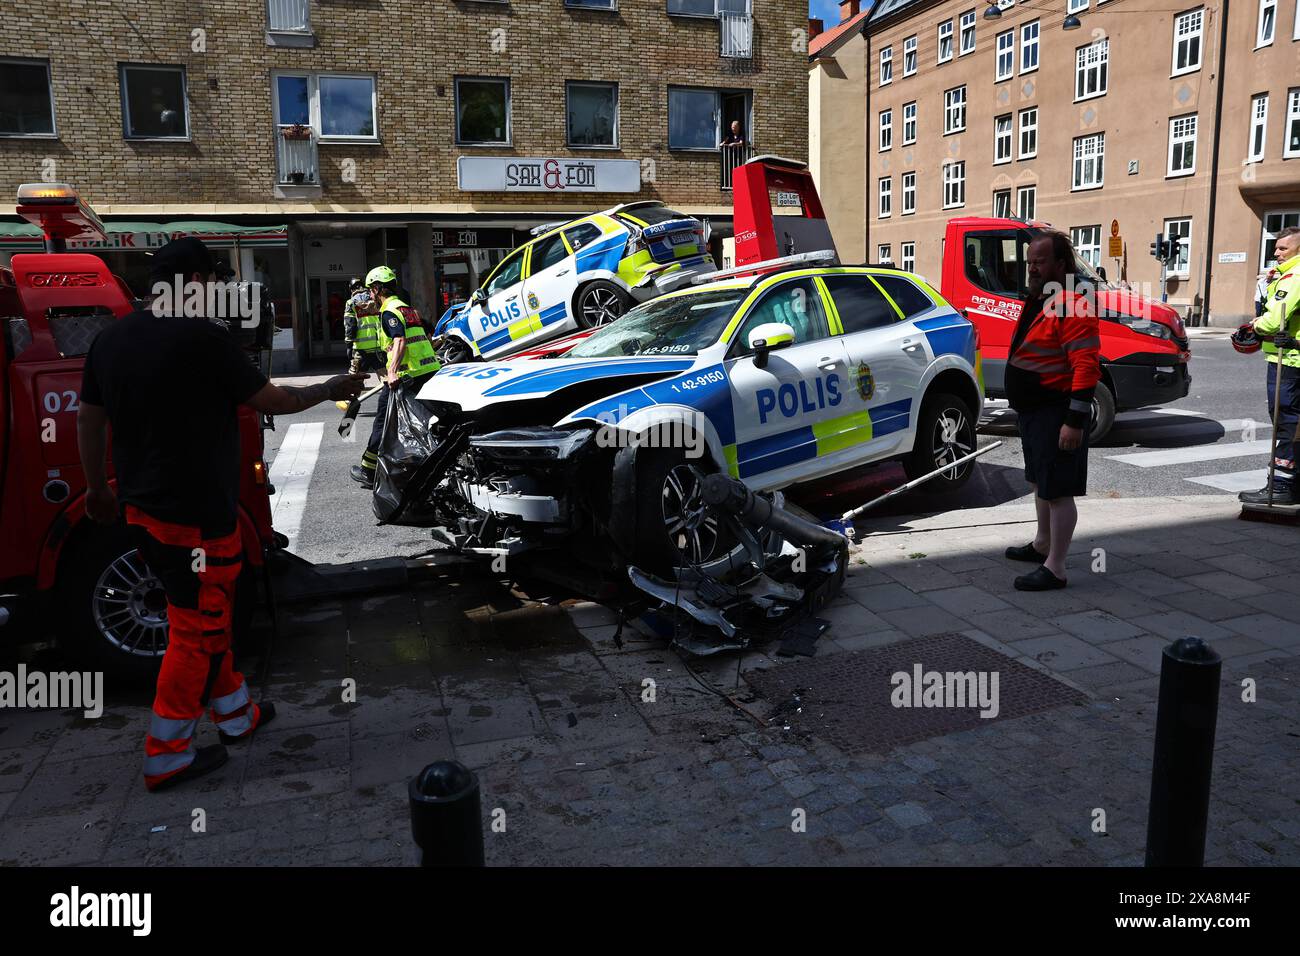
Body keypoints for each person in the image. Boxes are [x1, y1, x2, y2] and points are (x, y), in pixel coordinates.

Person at [77, 237, 365, 792]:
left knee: (209, 615)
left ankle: (234, 714)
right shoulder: (204, 339)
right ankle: (166, 754)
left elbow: (89, 422)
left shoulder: (109, 340)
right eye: (212, 280)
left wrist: (96, 489)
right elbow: (276, 401)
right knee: (195, 629)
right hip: (198, 517)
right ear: (195, 282)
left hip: (142, 510)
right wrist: (332, 387)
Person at [1002, 231, 1101, 590]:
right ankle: (1043, 544)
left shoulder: (1074, 301)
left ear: (1061, 263)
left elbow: (1087, 365)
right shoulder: (1043, 297)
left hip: (1055, 409)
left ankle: (1056, 567)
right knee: (1040, 482)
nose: (1032, 268)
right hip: (1035, 410)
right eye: (1029, 262)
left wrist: (1074, 421)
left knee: (1058, 490)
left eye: (1039, 262)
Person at [350, 265, 441, 489]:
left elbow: (399, 339)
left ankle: (369, 471)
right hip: (427, 372)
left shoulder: (389, 310)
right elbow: (428, 333)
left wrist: (391, 372)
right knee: (425, 421)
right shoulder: (408, 309)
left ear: (379, 289)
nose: (371, 294)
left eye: (372, 290)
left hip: (404, 376)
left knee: (383, 421)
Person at [1241, 226, 1300, 505]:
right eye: (1276, 248)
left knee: (1286, 422)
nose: (1276, 253)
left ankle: (1281, 487)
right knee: (1294, 423)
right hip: (1290, 357)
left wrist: (1255, 325)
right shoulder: (1283, 275)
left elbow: (1275, 319)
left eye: (1283, 249)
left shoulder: (1294, 276)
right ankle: (1293, 483)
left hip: (1288, 359)